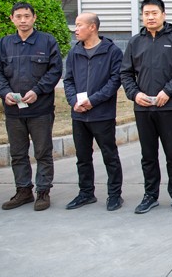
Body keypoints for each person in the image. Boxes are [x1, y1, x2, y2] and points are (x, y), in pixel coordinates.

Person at [121, 0, 172, 214]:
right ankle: (150, 195)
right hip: (143, 108)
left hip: (168, 107)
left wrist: (167, 92)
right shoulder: (135, 42)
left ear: (164, 14)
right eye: (146, 14)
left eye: (154, 13)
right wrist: (135, 94)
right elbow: (126, 73)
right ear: (142, 16)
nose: (150, 17)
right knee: (148, 155)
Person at [0, 2, 62, 211]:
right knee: (18, 153)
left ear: (34, 18)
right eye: (18, 16)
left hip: (40, 110)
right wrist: (5, 93)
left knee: (43, 152)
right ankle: (23, 191)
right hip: (13, 111)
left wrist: (37, 90)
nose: (23, 20)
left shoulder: (47, 41)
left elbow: (55, 71)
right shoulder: (2, 45)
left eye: (27, 16)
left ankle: (43, 192)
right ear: (12, 19)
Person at [63, 13, 124, 211]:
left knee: (110, 156)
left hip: (102, 114)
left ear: (92, 27)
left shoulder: (112, 52)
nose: (75, 29)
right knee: (82, 157)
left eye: (79, 25)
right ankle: (86, 193)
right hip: (79, 115)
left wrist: (93, 101)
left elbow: (114, 81)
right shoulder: (74, 52)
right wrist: (74, 101)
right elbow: (68, 80)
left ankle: (114, 195)